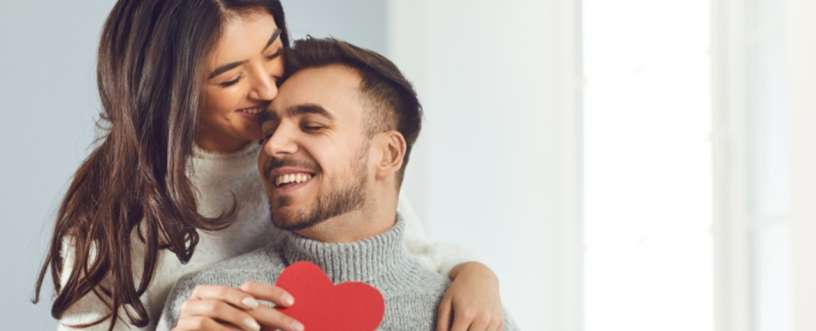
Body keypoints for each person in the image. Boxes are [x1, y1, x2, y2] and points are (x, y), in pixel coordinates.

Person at [34, 1, 504, 330]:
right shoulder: (112, 219)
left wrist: (474, 274)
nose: (267, 87)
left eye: (275, 51)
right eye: (231, 77)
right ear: (172, 90)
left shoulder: (311, 155)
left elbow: (396, 251)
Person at [158, 36, 517, 331]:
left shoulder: (470, 316)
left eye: (312, 125)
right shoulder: (208, 307)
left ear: (388, 154)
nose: (273, 146)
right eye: (268, 131)